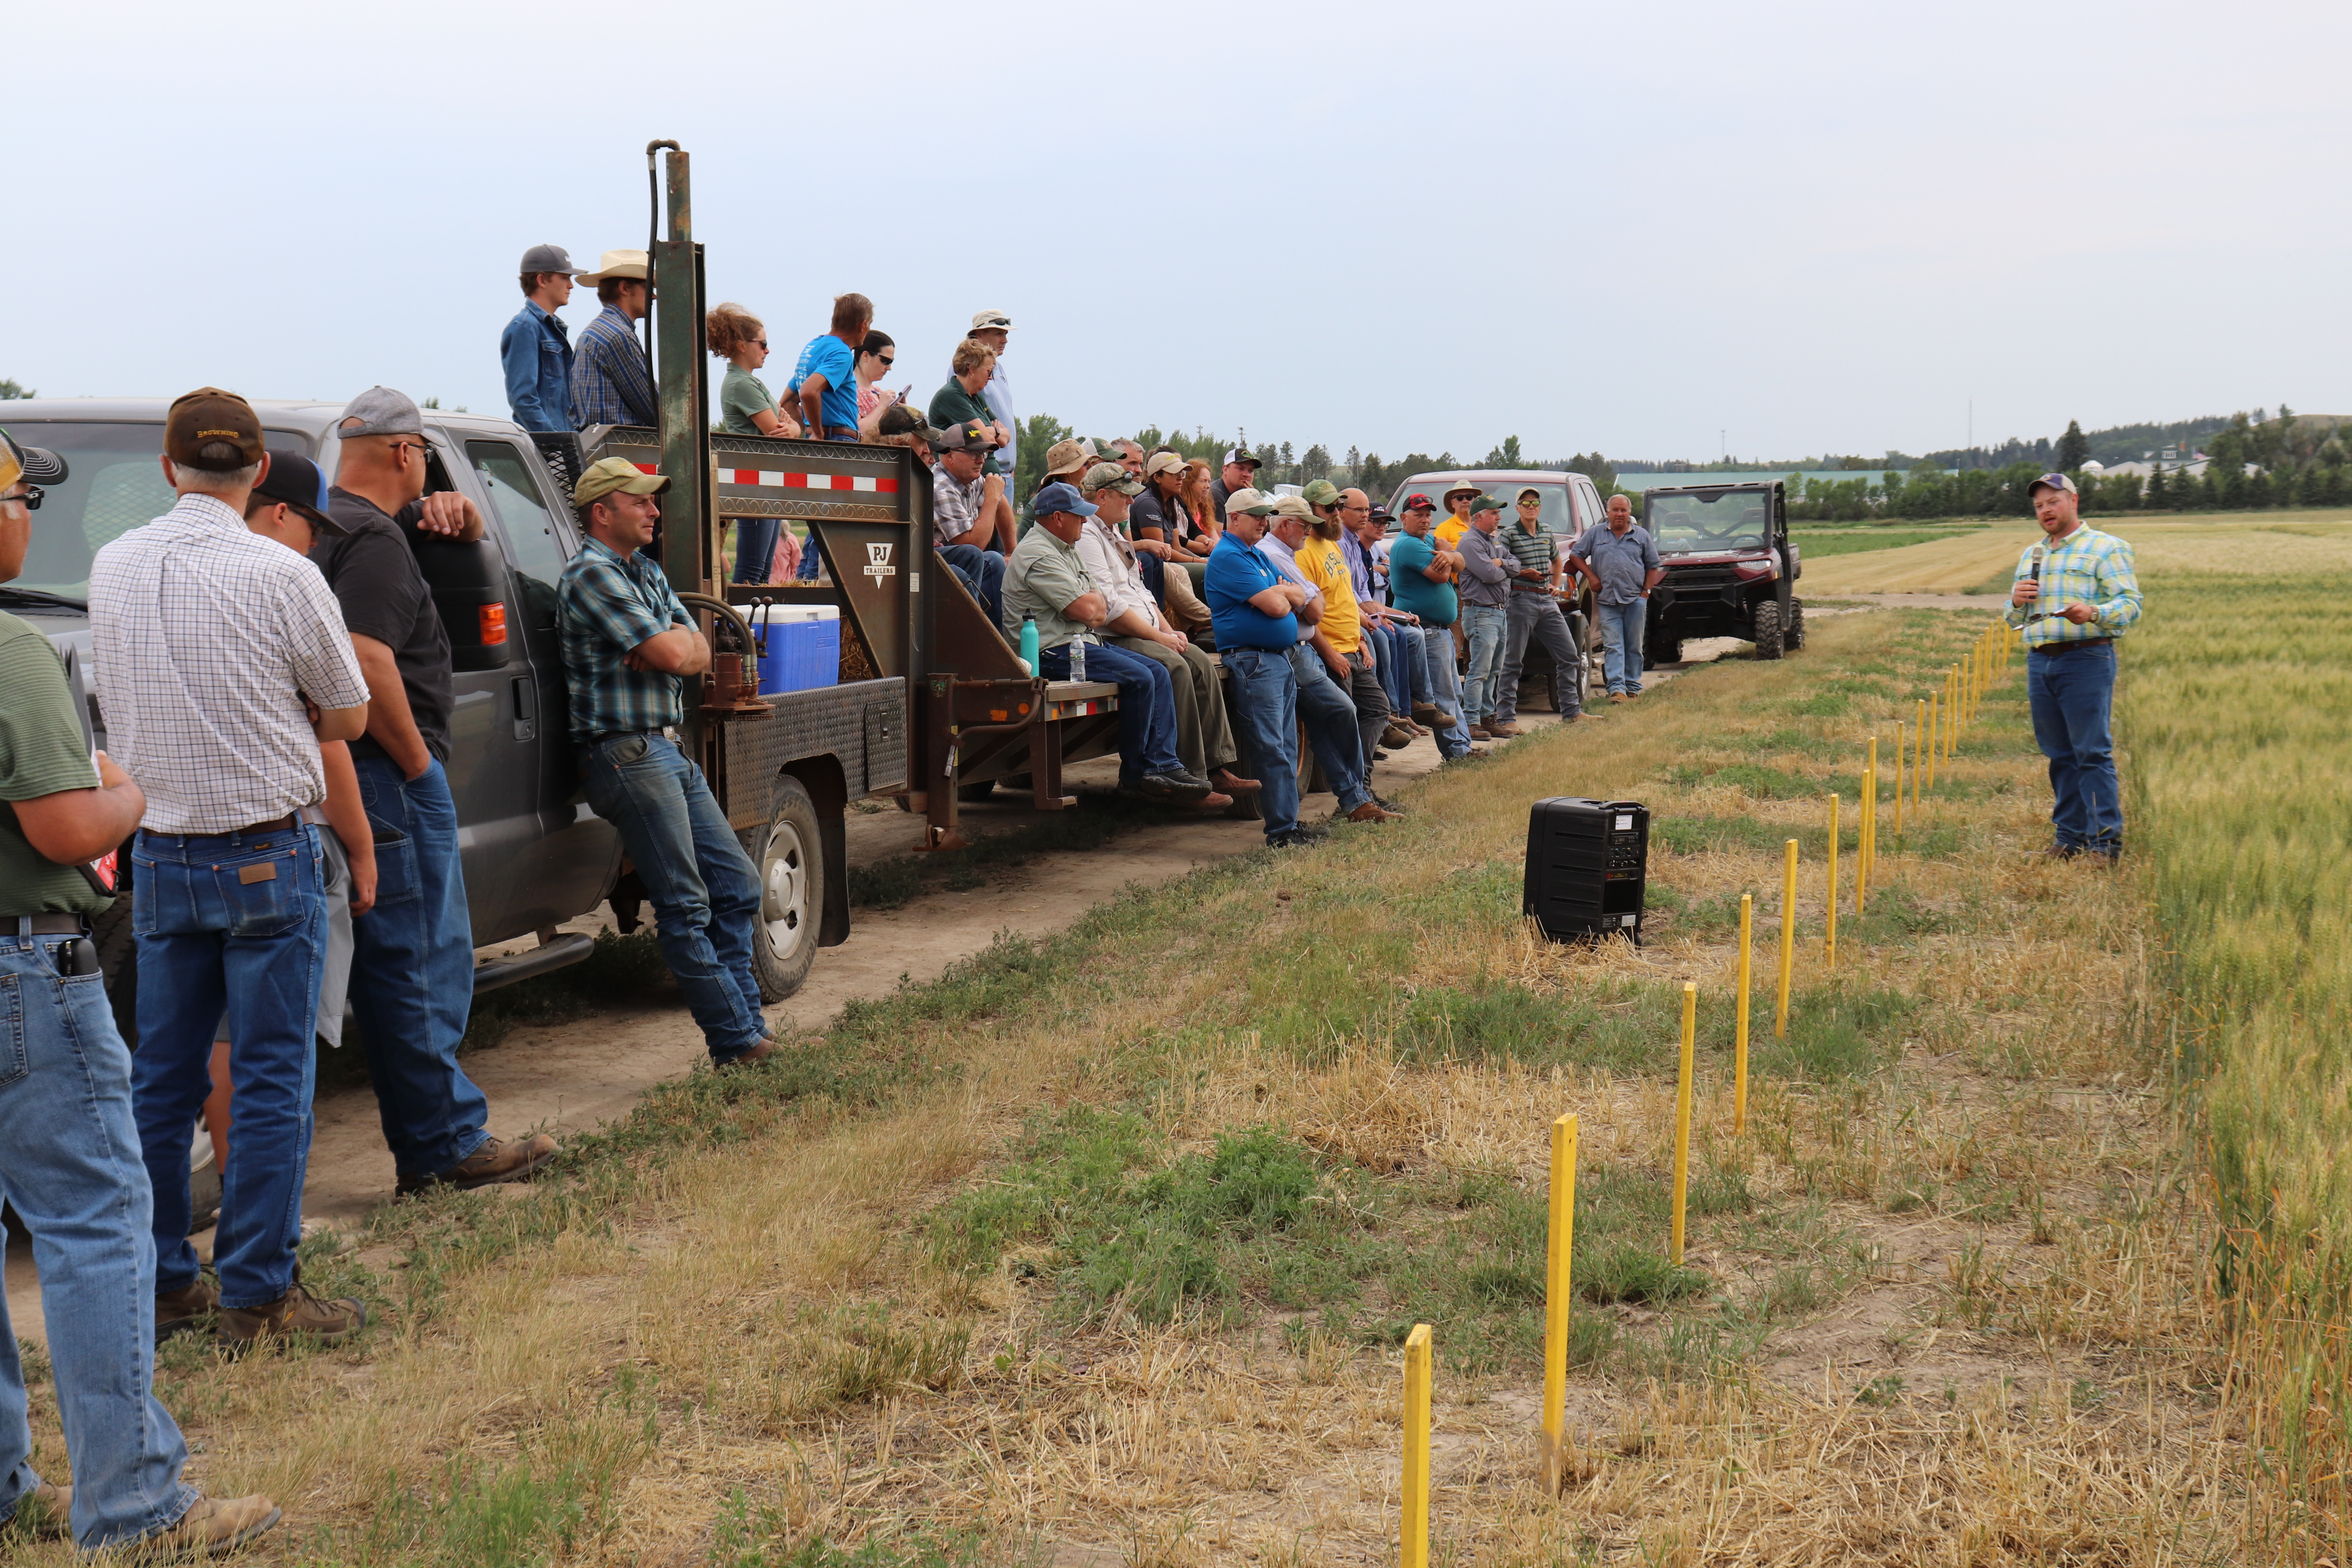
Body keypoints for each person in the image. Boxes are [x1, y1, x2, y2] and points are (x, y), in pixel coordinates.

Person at [0, 428, 286, 1557]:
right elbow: (68, 825)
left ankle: (10, 1487)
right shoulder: (15, 654)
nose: (26, 513)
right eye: (20, 492)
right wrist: (124, 792)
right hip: (25, 967)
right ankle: (135, 1506)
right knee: (96, 1224)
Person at [88, 390, 374, 1352]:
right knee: (269, 1076)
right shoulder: (284, 573)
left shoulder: (112, 564)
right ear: (258, 474)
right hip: (265, 850)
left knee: (160, 1082)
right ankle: (257, 1289)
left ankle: (168, 1281)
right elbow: (348, 716)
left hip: (159, 855)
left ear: (169, 469)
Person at [319, 390, 559, 1197]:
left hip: (344, 772)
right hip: (389, 773)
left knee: (396, 969)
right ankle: (447, 1143)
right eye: (423, 455)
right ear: (404, 452)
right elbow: (366, 656)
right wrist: (419, 762)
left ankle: (432, 1142)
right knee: (422, 963)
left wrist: (452, 513)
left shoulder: (322, 525)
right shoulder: (377, 540)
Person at [558, 459, 777, 1067]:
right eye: (642, 502)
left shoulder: (646, 572)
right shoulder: (591, 578)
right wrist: (667, 646)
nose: (656, 512)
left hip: (663, 747)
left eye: (654, 502)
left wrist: (673, 649)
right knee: (685, 904)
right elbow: (670, 645)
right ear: (603, 512)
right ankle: (738, 1040)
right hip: (626, 752)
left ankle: (745, 1031)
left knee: (737, 886)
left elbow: (698, 648)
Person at [1001, 482, 1216, 805]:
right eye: (1080, 517)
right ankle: (1136, 777)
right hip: (1052, 652)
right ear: (1057, 517)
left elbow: (1097, 607)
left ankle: (1164, 764)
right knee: (1141, 678)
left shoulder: (1065, 548)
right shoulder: (1038, 553)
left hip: (1077, 642)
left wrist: (1092, 604)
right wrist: (1092, 604)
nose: (1085, 522)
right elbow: (1091, 610)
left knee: (1157, 672)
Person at [1073, 462, 1253, 795]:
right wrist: (1160, 637)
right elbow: (1110, 607)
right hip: (1118, 636)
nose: (1130, 503)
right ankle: (1190, 776)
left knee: (1199, 662)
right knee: (1175, 667)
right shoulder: (1086, 535)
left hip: (1143, 628)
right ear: (1101, 496)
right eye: (1124, 497)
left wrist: (1170, 631)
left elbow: (1142, 593)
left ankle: (1217, 766)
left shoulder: (1113, 533)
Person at [2005, 472, 2142, 861]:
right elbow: (2012, 617)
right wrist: (2015, 601)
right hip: (2041, 661)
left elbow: (2130, 604)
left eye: (2053, 502)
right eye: (2039, 506)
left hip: (2086, 659)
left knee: (2091, 752)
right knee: (2059, 754)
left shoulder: (2106, 548)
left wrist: (2094, 612)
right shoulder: (2033, 555)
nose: (2046, 511)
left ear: (2073, 501)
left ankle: (2104, 844)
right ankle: (2070, 838)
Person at [1259, 497, 1399, 823]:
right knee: (1318, 726)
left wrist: (1360, 638)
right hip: (1304, 650)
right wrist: (1330, 649)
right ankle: (1297, 823)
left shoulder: (1318, 548)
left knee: (1350, 715)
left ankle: (1358, 797)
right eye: (1324, 512)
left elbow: (1334, 599)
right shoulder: (1280, 554)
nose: (1316, 525)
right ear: (1286, 525)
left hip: (1323, 647)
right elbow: (1312, 608)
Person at [1205, 492, 1321, 848]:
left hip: (1275, 658)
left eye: (1265, 515)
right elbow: (1276, 605)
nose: (1263, 521)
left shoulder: (1255, 554)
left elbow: (1303, 596)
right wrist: (1283, 594)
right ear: (1235, 518)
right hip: (1253, 660)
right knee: (1272, 747)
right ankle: (1281, 832)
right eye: (1256, 516)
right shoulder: (1228, 556)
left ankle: (1289, 824)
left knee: (1285, 745)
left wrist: (1287, 594)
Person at [1294, 483, 1401, 774]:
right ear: (1310, 511)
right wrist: (1330, 655)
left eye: (1338, 508)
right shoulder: (1303, 555)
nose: (1336, 514)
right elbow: (1305, 616)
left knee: (1379, 709)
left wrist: (1361, 641)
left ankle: (1361, 780)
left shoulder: (1332, 544)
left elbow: (1345, 599)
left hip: (1353, 647)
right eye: (1329, 508)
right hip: (1333, 653)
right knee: (1344, 724)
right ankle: (1357, 792)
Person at [707, 302, 803, 587]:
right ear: (741, 345)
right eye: (762, 344)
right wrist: (792, 427)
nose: (767, 350)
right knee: (753, 571)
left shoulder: (748, 382)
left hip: (764, 481)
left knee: (761, 572)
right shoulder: (742, 385)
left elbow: (789, 426)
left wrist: (793, 427)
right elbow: (777, 428)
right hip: (756, 482)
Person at [1491, 486, 1587, 735]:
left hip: (1546, 600)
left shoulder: (1546, 532)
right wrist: (1523, 573)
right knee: (1513, 661)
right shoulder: (1509, 534)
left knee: (1570, 655)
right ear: (1518, 508)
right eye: (1525, 504)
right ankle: (1506, 718)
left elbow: (1557, 560)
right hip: (1520, 598)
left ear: (1540, 507)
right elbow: (1499, 565)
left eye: (1535, 503)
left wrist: (1556, 585)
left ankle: (1572, 712)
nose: (1531, 507)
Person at [1388, 493, 1476, 760]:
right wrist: (1449, 554)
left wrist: (1450, 555)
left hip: (1440, 629)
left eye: (1428, 515)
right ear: (1404, 518)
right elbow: (1441, 575)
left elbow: (1463, 564)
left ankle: (1463, 747)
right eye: (1418, 515)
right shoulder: (1408, 546)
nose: (1425, 520)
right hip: (1425, 629)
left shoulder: (1428, 541)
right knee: (1443, 695)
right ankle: (1457, 752)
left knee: (1453, 691)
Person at [1571, 493, 1664, 702]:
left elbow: (1653, 565)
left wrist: (1645, 593)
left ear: (1630, 513)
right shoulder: (1596, 534)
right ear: (1608, 512)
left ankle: (1632, 687)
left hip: (1635, 600)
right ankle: (1617, 689)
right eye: (1615, 510)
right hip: (1607, 600)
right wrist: (1592, 577)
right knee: (1613, 645)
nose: (1619, 514)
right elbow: (1576, 555)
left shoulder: (1641, 536)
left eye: (1623, 510)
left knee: (1634, 646)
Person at [926, 338, 1017, 548]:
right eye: (988, 371)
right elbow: (988, 439)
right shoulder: (952, 396)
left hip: (982, 480)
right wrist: (995, 431)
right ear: (972, 369)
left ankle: (1011, 555)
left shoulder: (975, 398)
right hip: (959, 480)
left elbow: (1006, 436)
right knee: (978, 548)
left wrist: (994, 432)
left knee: (994, 552)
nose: (991, 377)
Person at [928, 418, 1010, 627]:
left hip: (952, 556)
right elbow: (972, 545)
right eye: (974, 454)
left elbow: (1002, 502)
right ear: (949, 455)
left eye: (983, 454)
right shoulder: (940, 486)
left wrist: (1012, 551)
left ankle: (998, 639)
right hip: (923, 561)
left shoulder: (970, 478)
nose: (981, 460)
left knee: (995, 560)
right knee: (973, 553)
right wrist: (991, 499)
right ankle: (975, 632)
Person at [568, 249, 657, 429]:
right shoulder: (618, 336)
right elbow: (653, 408)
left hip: (599, 447)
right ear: (624, 288)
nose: (654, 296)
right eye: (648, 288)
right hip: (620, 451)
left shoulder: (596, 331)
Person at [501, 243, 578, 434]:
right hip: (547, 452)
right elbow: (523, 400)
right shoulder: (524, 328)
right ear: (542, 280)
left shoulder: (550, 329)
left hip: (565, 447)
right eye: (564, 277)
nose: (571, 285)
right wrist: (557, 443)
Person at [1454, 494, 1514, 736]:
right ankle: (1471, 721)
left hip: (1499, 612)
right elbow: (1489, 574)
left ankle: (1487, 716)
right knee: (1479, 670)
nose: (1499, 517)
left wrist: (1500, 562)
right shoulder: (1470, 543)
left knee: (1494, 669)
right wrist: (1502, 567)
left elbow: (1515, 564)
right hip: (1481, 613)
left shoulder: (1494, 541)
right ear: (1479, 516)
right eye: (1494, 513)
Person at [790, 292, 871, 443]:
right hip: (838, 439)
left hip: (818, 438)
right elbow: (808, 391)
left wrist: (808, 431)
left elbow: (789, 400)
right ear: (863, 326)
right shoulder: (842, 353)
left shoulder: (814, 347)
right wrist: (818, 432)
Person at [968, 310, 1018, 485]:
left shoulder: (999, 368)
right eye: (999, 334)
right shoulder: (967, 367)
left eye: (1005, 334)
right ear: (980, 335)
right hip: (987, 471)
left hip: (1004, 473)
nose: (1005, 340)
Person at [853, 330, 903, 439]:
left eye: (891, 362)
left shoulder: (878, 392)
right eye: (885, 361)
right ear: (866, 356)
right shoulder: (848, 390)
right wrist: (881, 407)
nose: (889, 368)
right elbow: (855, 432)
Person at [1209, 445, 1261, 524]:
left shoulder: (1242, 495)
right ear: (1226, 470)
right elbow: (1218, 535)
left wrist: (1254, 499)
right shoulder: (1216, 494)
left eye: (1251, 471)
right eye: (1241, 469)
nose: (1246, 474)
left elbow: (1260, 527)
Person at [1436, 481, 1480, 548]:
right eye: (1460, 498)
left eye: (1469, 497)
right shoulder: (1443, 529)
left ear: (1475, 501)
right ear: (1453, 503)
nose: (1465, 501)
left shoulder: (1484, 525)